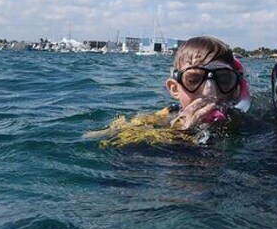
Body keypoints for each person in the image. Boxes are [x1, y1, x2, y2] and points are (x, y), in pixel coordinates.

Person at [86, 36, 251, 147]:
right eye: (193, 80)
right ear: (174, 88)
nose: (209, 91)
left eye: (223, 81)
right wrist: (180, 134)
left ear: (237, 89)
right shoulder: (161, 119)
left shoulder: (247, 123)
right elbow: (93, 138)